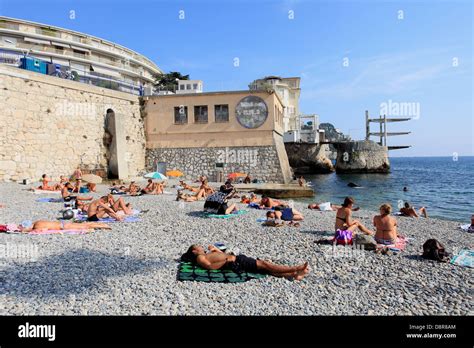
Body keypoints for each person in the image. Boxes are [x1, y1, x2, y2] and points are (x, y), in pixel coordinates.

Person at [181, 245, 310, 281]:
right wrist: (226, 260)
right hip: (237, 261)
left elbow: (219, 256)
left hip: (236, 259)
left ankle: (294, 274)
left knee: (264, 269)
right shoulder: (199, 258)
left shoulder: (205, 254)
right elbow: (210, 267)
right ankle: (296, 268)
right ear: (194, 251)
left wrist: (216, 250)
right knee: (264, 264)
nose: (201, 246)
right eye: (198, 246)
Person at [22, 220, 110, 232]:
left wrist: (28, 231)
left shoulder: (37, 227)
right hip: (62, 223)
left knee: (84, 226)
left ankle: (103, 226)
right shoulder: (38, 221)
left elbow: (44, 230)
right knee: (83, 224)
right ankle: (100, 224)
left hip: (63, 227)